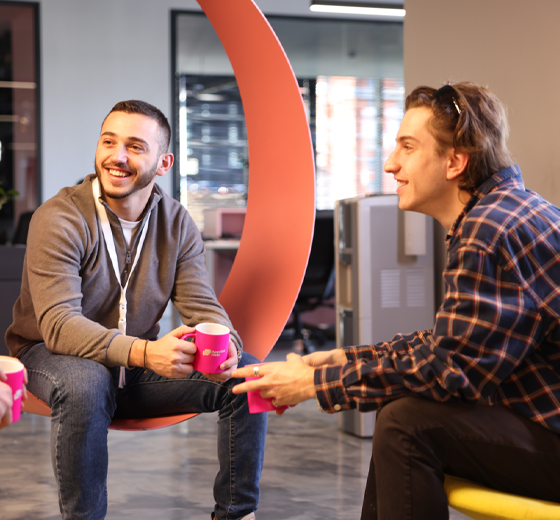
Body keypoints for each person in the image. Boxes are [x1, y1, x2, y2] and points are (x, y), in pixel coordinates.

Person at [233, 82, 560, 519]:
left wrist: (312, 386)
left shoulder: (487, 231)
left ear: (455, 162)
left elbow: (450, 372)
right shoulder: (509, 211)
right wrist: (340, 359)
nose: (391, 165)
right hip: (543, 422)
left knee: (407, 423)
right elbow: (454, 345)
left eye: (408, 147)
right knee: (402, 408)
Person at [6, 100, 266, 520]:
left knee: (247, 377)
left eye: (134, 146)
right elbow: (58, 325)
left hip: (133, 367)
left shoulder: (177, 222)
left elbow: (202, 306)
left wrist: (227, 345)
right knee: (88, 381)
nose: (118, 156)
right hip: (50, 355)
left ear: (163, 162)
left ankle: (236, 514)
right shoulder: (60, 216)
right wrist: (148, 354)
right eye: (109, 141)